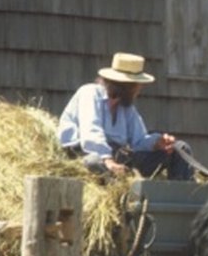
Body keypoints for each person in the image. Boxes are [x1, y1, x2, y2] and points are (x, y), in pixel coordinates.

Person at [57, 52, 193, 180]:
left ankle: (181, 199)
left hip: (116, 156)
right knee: (94, 163)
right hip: (82, 154)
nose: (139, 89)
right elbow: (91, 133)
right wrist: (107, 159)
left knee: (179, 148)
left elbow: (138, 141)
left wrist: (157, 143)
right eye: (137, 85)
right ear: (125, 86)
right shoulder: (90, 93)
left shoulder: (127, 108)